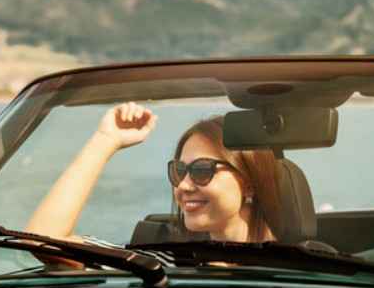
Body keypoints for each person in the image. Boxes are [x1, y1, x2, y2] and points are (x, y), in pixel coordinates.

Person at [26, 102, 280, 252]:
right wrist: (105, 140)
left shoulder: (304, 273)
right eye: (179, 171)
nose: (183, 185)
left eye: (202, 170)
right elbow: (43, 241)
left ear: (248, 184)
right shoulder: (161, 264)